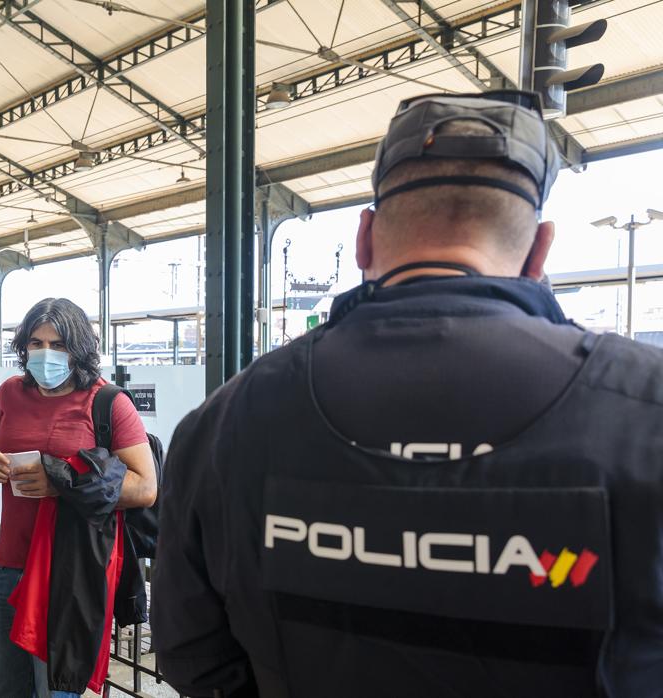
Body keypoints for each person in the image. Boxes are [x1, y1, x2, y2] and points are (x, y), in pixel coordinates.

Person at [152, 90, 663, 696]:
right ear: (539, 252)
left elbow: (191, 652)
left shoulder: (225, 420)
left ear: (364, 237)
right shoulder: (644, 408)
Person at [0, 298, 156, 697]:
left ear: (79, 349)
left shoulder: (108, 403)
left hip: (68, 574)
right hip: (7, 569)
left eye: (58, 344)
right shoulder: (9, 394)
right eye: (35, 343)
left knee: (56, 691)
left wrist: (61, 484)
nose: (45, 353)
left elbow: (145, 487)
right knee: (5, 688)